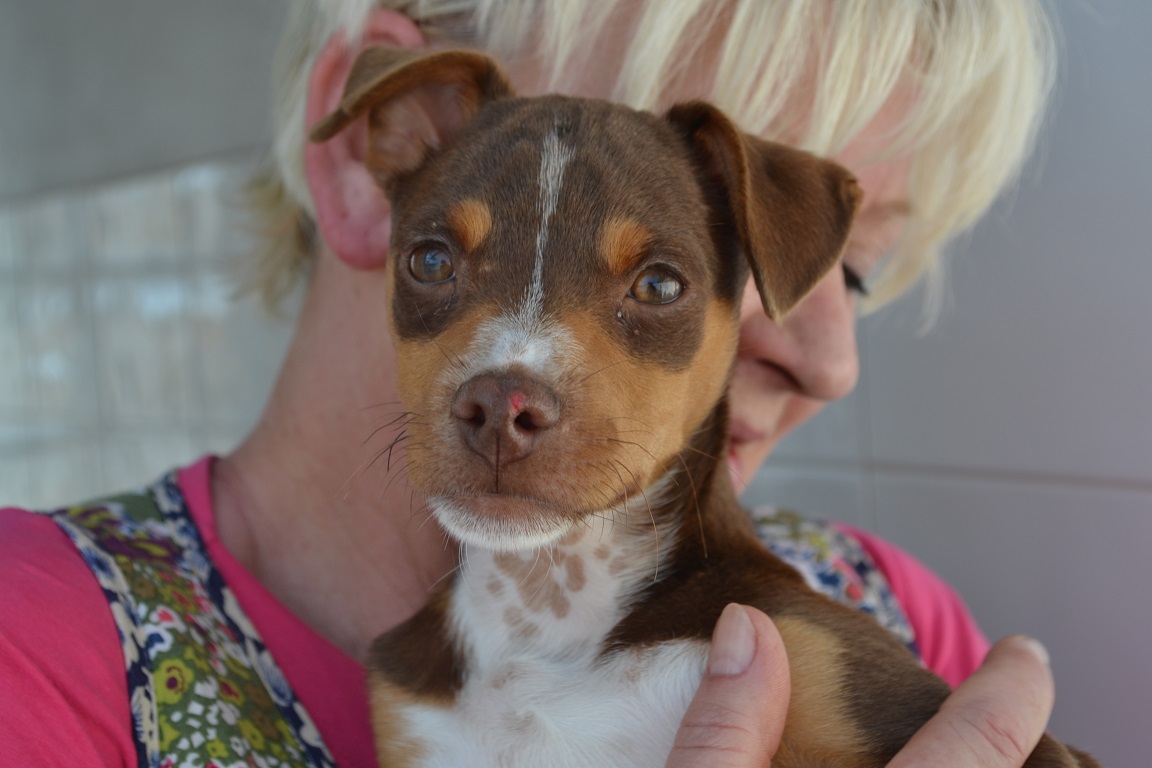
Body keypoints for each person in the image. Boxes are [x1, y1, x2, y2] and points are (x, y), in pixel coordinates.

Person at [0, 1, 1058, 766]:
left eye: (850, 267)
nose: (828, 358)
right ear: (374, 148)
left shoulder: (878, 604)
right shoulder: (36, 655)